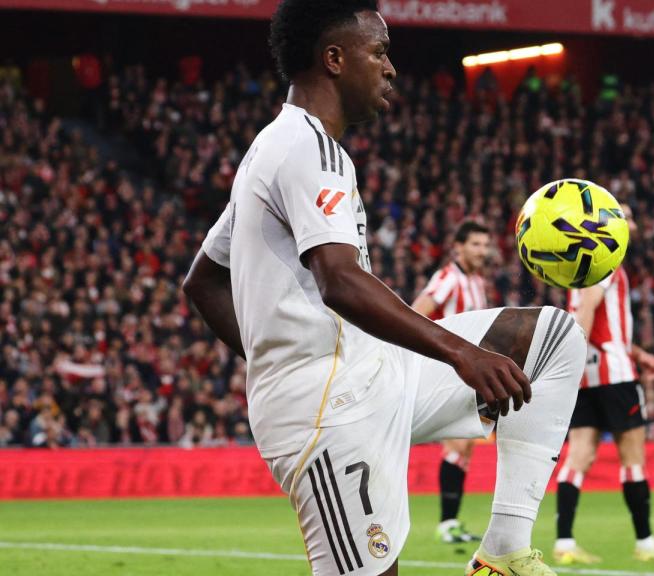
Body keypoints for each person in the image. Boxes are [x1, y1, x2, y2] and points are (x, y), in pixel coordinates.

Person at [182, 2, 586, 575]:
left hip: (376, 374)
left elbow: (202, 281)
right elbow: (340, 281)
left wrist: (274, 352)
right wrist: (458, 352)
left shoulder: (275, 149)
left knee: (552, 337)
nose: (391, 67)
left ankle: (502, 554)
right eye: (378, 52)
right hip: (326, 412)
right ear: (334, 59)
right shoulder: (305, 150)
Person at [552, 206, 654, 565]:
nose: (632, 224)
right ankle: (645, 541)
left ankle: (564, 541)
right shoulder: (605, 260)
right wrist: (573, 357)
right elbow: (588, 309)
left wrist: (636, 352)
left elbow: (601, 321)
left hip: (592, 374)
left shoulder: (580, 263)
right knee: (633, 459)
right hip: (614, 376)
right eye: (625, 216)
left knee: (578, 459)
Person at [410, 220, 491, 543]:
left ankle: (451, 522)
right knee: (457, 444)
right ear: (458, 246)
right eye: (475, 245)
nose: (482, 251)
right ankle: (446, 524)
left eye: (485, 245)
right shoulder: (448, 279)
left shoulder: (476, 281)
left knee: (465, 448)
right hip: (448, 371)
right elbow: (417, 313)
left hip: (467, 374)